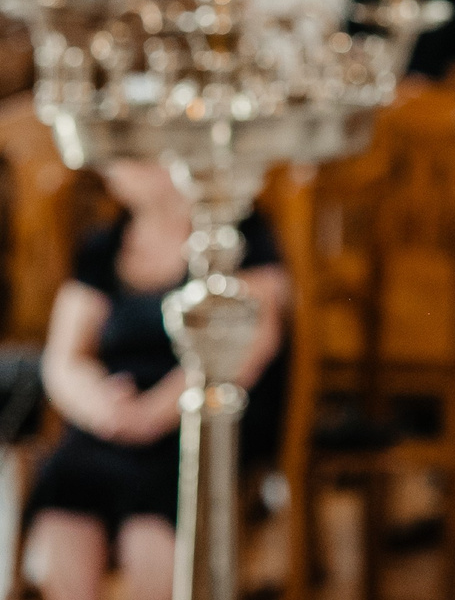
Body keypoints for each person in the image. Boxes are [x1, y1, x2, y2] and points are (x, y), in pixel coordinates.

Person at [22, 162, 290, 600]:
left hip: (200, 413)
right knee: (65, 486)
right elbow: (63, 358)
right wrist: (101, 407)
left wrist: (154, 414)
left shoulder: (240, 233)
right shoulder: (103, 246)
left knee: (157, 502)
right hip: (115, 413)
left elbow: (250, 344)